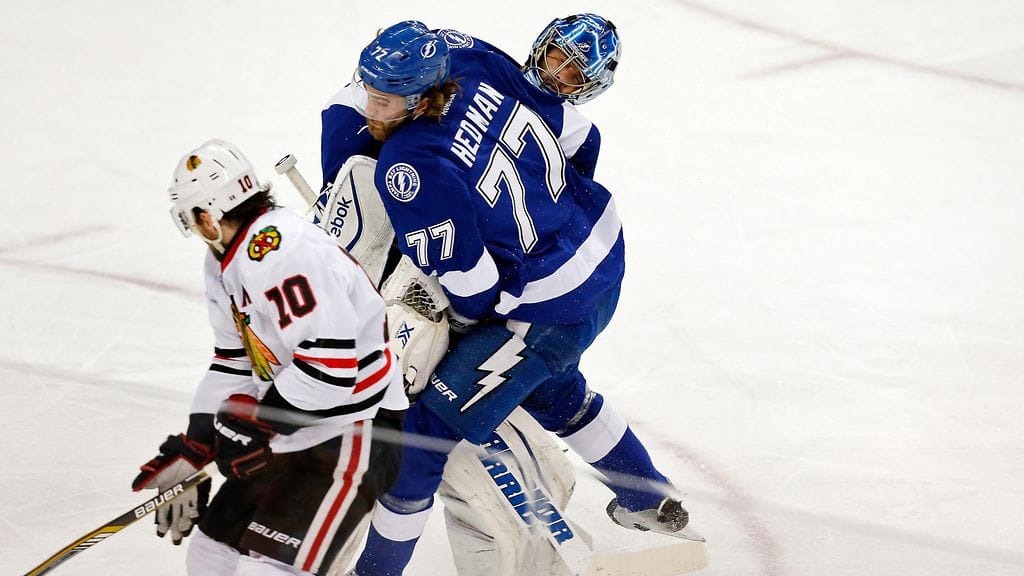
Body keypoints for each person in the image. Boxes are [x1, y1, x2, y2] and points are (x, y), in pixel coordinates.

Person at [340, 21, 688, 576]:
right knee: (553, 388)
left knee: (421, 441)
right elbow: (580, 137)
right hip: (600, 254)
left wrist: (450, 319)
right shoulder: (469, 60)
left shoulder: (410, 165)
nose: (370, 105)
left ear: (422, 97)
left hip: (551, 305)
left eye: (384, 98)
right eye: (369, 89)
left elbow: (474, 288)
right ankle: (649, 497)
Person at [131, 139, 408, 575]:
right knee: (210, 556)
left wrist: (254, 424)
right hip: (292, 426)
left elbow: (330, 369)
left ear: (208, 216)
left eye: (192, 217)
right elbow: (234, 361)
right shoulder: (225, 261)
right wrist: (197, 443)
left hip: (353, 429)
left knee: (269, 570)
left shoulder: (284, 252)